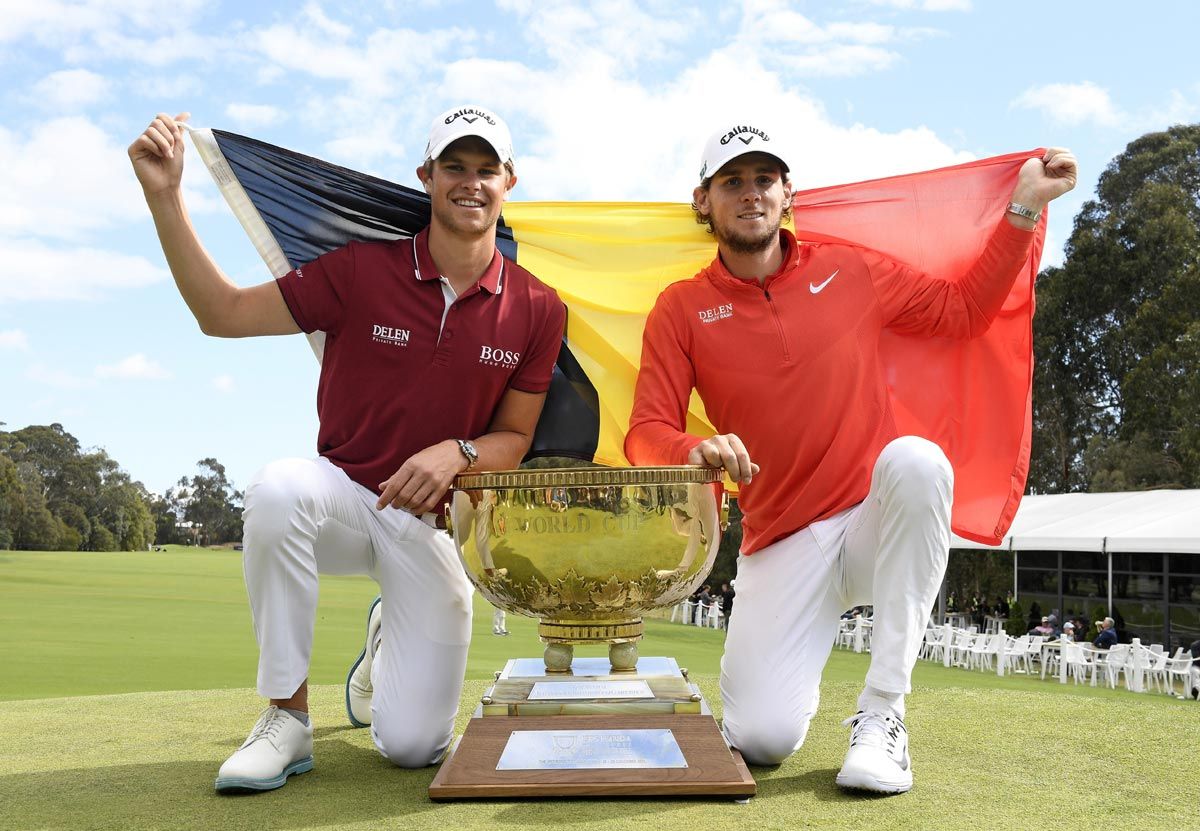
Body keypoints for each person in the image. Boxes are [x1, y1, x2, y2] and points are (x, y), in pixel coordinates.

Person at [625, 120, 1076, 795]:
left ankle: (883, 712)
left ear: (788, 195)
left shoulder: (851, 270)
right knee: (762, 738)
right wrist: (696, 447)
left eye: (765, 179)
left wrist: (1023, 208)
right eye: (733, 181)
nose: (751, 193)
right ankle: (784, 706)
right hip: (780, 539)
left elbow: (962, 311)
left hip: (872, 520)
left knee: (920, 463)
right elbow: (645, 430)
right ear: (703, 200)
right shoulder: (682, 308)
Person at [128, 105, 566, 793]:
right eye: (455, 166)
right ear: (426, 176)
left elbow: (513, 438)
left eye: (487, 169)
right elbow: (223, 314)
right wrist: (166, 195)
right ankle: (287, 717)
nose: (470, 182)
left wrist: (457, 451)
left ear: (510, 181)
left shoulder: (539, 307)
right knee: (277, 488)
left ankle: (388, 635)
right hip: (342, 498)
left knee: (413, 746)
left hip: (430, 525)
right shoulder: (361, 271)